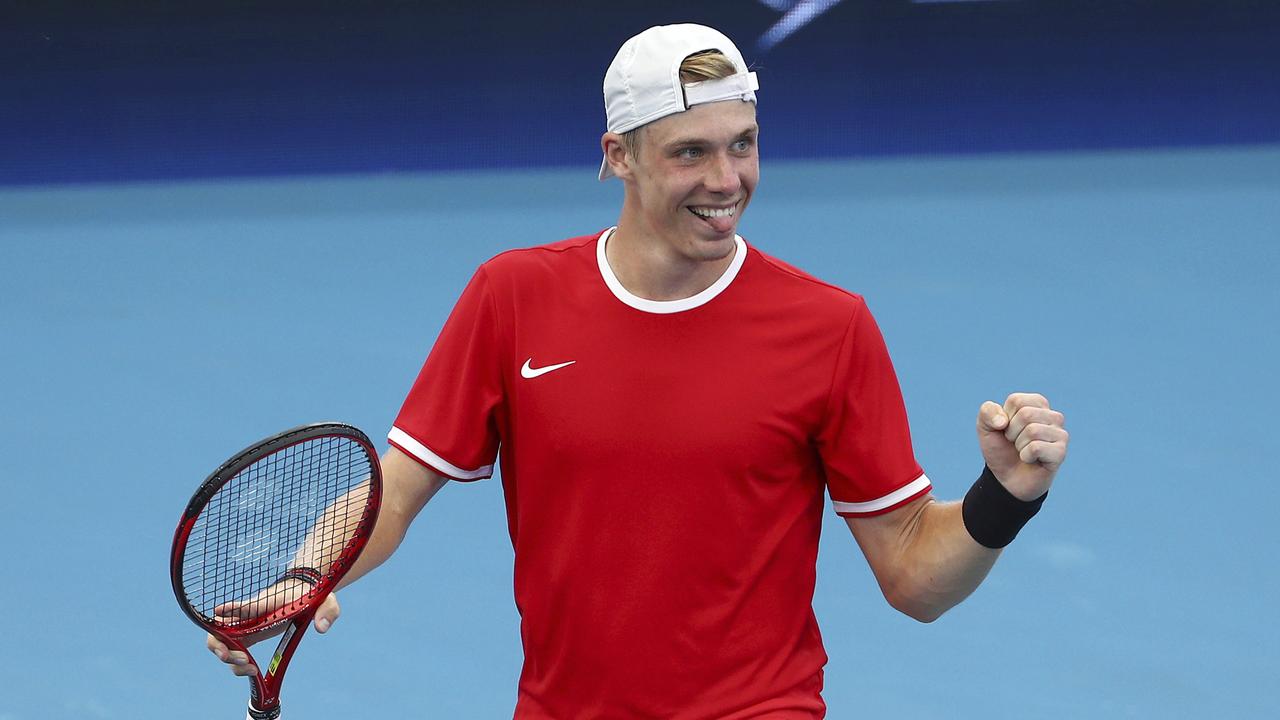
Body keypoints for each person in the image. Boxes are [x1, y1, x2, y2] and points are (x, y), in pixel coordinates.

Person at [208, 23, 1069, 718]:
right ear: (617, 155)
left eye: (743, 144)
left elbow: (916, 580)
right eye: (689, 153)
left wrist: (1007, 497)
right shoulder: (513, 296)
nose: (727, 180)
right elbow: (393, 490)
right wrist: (299, 578)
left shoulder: (828, 328)